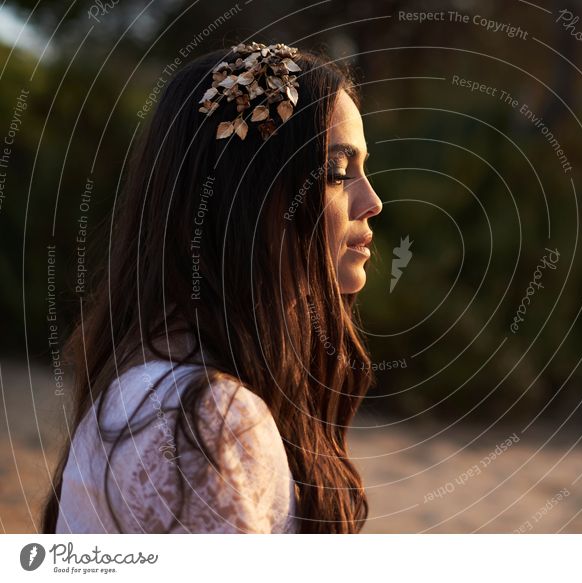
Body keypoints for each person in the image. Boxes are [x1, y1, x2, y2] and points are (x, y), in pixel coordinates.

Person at [40, 41, 383, 534]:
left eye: (362, 170)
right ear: (246, 197)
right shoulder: (203, 423)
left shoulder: (167, 385)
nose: (371, 200)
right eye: (336, 172)